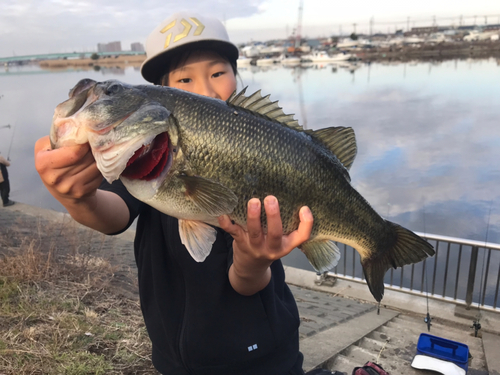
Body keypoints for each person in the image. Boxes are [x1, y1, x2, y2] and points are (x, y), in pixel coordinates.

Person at [35, 12, 333, 375]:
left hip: (265, 358)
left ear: (237, 76)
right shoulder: (146, 158)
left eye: (218, 73)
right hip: (174, 358)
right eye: (184, 79)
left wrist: (254, 261)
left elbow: (246, 280)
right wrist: (78, 199)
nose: (205, 89)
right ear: (166, 95)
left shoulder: (250, 144)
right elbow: (110, 214)